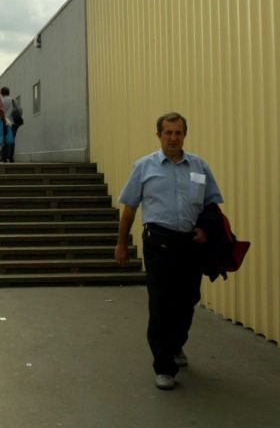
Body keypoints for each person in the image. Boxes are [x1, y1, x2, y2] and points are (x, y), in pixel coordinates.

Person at [114, 112, 223, 391]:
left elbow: (212, 205)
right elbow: (129, 209)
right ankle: (163, 366)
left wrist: (206, 230)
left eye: (178, 133)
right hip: (158, 244)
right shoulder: (144, 167)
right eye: (168, 133)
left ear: (184, 134)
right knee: (161, 303)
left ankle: (175, 345)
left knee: (188, 300)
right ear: (159, 135)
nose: (173, 138)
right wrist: (121, 243)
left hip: (189, 245)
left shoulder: (199, 167)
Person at [0, 86, 18, 163]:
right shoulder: (13, 100)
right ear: (8, 92)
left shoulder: (0, 101)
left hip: (3, 122)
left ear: (1, 93)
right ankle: (11, 157)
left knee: (3, 140)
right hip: (12, 122)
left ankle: (3, 157)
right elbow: (18, 110)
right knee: (11, 140)